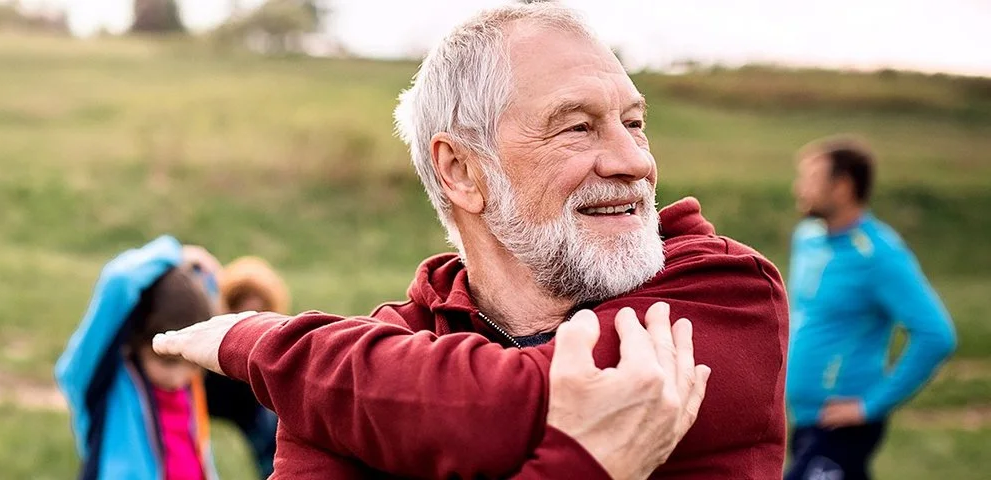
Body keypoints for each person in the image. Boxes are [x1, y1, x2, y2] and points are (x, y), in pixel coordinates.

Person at [153, 3, 789, 479]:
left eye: (634, 123)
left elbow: (505, 404)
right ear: (460, 170)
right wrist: (582, 464)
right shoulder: (369, 362)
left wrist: (268, 344)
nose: (633, 160)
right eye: (577, 127)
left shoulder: (723, 291)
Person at [784, 137, 957, 480]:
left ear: (843, 186)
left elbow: (936, 335)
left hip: (841, 425)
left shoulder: (879, 254)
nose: (798, 188)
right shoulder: (807, 238)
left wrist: (871, 406)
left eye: (812, 179)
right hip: (803, 419)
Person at [56, 236, 222, 480]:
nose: (179, 377)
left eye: (193, 365)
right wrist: (174, 253)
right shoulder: (103, 384)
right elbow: (119, 281)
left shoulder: (189, 389)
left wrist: (201, 275)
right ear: (136, 343)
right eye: (167, 362)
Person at [205, 257, 286, 478]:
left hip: (248, 402)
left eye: (259, 314)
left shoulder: (272, 348)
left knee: (272, 442)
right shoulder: (206, 339)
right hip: (210, 391)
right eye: (240, 312)